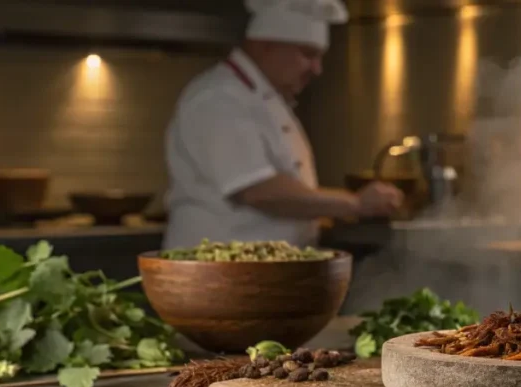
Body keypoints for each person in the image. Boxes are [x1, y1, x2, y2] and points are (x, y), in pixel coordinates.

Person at [163, 0, 403, 250]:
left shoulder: (266, 100)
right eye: (308, 54)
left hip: (262, 272)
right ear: (266, 45)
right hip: (217, 272)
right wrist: (354, 204)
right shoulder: (219, 97)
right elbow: (261, 191)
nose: (317, 69)